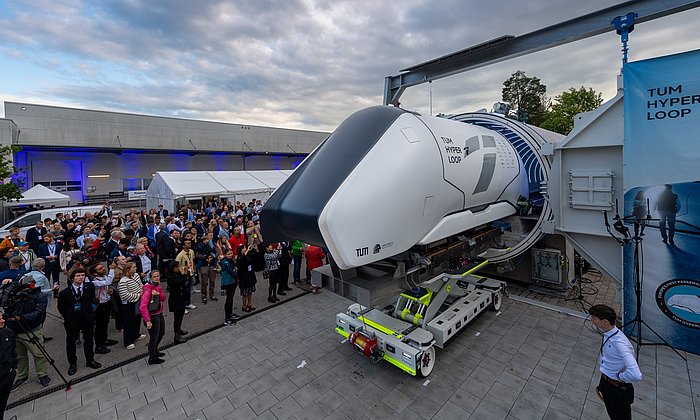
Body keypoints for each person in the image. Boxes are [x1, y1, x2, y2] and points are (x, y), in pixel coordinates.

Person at [589, 304, 642, 420]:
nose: (592, 321)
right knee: (612, 414)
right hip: (607, 382)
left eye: (594, 318)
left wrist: (620, 376)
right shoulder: (608, 333)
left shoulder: (620, 343)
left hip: (617, 388)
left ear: (605, 321)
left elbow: (636, 374)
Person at [4, 274, 50, 389]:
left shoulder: (40, 296)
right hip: (14, 329)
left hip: (32, 329)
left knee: (38, 354)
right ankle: (22, 376)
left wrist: (21, 318)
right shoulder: (15, 294)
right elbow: (7, 306)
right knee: (20, 355)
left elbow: (38, 313)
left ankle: (42, 375)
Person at [57, 269, 102, 376]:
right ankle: (72, 363)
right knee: (71, 342)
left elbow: (94, 299)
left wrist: (92, 309)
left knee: (89, 340)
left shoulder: (89, 286)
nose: (81, 277)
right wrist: (68, 317)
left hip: (87, 318)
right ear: (72, 278)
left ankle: (90, 360)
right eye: (78, 276)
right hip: (72, 320)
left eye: (82, 275)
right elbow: (61, 308)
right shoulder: (65, 293)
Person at [89, 261, 119, 353]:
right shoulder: (95, 282)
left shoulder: (104, 277)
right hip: (100, 305)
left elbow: (107, 284)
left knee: (105, 323)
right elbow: (108, 282)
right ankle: (99, 346)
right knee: (99, 326)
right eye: (100, 269)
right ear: (95, 273)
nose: (103, 269)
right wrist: (112, 269)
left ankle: (105, 340)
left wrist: (109, 290)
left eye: (102, 267)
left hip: (107, 302)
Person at [140, 270, 167, 364]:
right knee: (154, 337)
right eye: (154, 276)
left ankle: (155, 350)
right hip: (152, 316)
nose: (157, 278)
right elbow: (142, 307)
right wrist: (147, 320)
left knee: (161, 332)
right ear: (150, 278)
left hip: (159, 313)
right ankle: (152, 357)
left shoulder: (157, 286)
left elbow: (163, 298)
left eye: (158, 276)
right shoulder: (148, 289)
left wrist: (158, 293)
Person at [117, 262, 146, 350]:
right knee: (128, 322)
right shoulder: (123, 281)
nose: (136, 268)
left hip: (138, 301)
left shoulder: (136, 275)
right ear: (129, 269)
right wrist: (138, 296)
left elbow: (140, 284)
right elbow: (124, 295)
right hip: (129, 304)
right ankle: (128, 341)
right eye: (134, 267)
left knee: (137, 318)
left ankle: (136, 334)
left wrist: (141, 291)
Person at [167, 261, 188, 344]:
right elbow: (180, 282)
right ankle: (177, 335)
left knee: (181, 315)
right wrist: (185, 274)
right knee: (177, 317)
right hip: (175, 299)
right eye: (176, 267)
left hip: (181, 297)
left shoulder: (177, 273)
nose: (178, 268)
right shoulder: (171, 277)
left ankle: (179, 329)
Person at [0, 312, 16, 419]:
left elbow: (12, 352)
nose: (3, 321)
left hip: (7, 377)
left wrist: (13, 370)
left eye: (1, 318)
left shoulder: (8, 333)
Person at [196, 236, 218, 304]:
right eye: (206, 239)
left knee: (212, 280)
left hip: (212, 264)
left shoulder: (213, 245)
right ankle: (204, 296)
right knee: (204, 282)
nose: (207, 241)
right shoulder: (200, 246)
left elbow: (218, 252)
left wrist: (212, 257)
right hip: (204, 265)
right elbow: (197, 254)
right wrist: (205, 257)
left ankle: (212, 294)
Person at [176, 238, 197, 310]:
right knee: (184, 290)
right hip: (184, 274)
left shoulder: (191, 251)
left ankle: (188, 303)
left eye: (190, 243)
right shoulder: (180, 255)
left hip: (190, 272)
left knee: (189, 289)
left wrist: (194, 269)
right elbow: (177, 265)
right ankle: (183, 305)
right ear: (183, 246)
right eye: (187, 243)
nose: (189, 244)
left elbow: (192, 260)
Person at [220, 249, 238, 325]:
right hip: (228, 283)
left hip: (232, 281)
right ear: (225, 255)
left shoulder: (231, 261)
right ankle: (227, 318)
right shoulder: (225, 262)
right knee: (228, 299)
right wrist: (236, 270)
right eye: (228, 254)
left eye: (231, 253)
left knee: (231, 298)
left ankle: (230, 314)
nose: (230, 255)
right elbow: (233, 272)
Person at [236, 245, 256, 312]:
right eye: (243, 248)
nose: (245, 249)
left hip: (250, 275)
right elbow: (242, 260)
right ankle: (244, 306)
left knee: (250, 291)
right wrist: (246, 252)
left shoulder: (247, 255)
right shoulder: (239, 258)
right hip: (244, 277)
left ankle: (249, 304)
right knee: (244, 292)